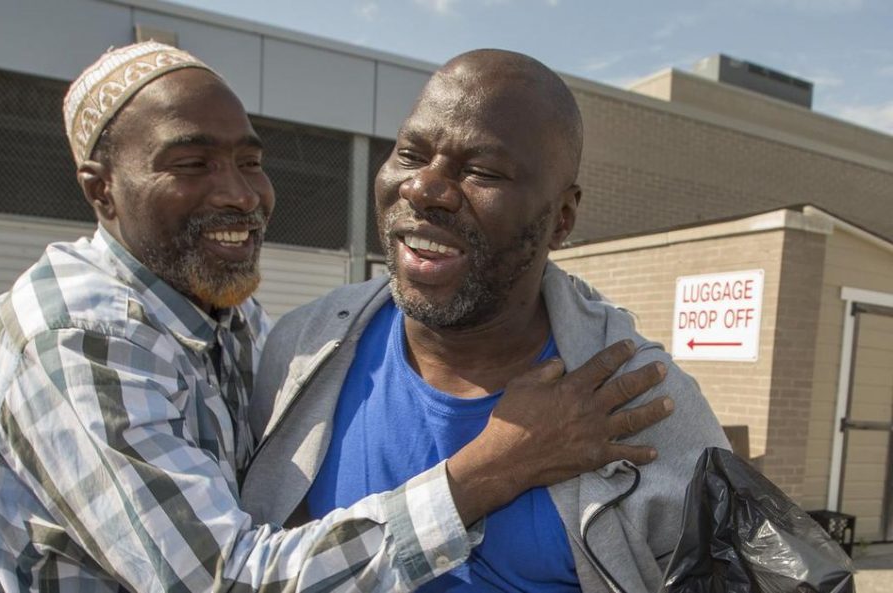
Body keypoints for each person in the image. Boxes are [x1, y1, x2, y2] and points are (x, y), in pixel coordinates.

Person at [0, 42, 673, 593]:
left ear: (564, 215)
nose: (240, 194)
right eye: (190, 165)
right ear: (101, 190)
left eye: (250, 161)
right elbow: (225, 579)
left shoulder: (244, 325)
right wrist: (495, 466)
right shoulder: (73, 341)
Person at [241, 49, 730, 593]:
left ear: (562, 218)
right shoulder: (304, 350)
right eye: (410, 154)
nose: (423, 189)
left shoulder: (638, 400)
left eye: (483, 172)